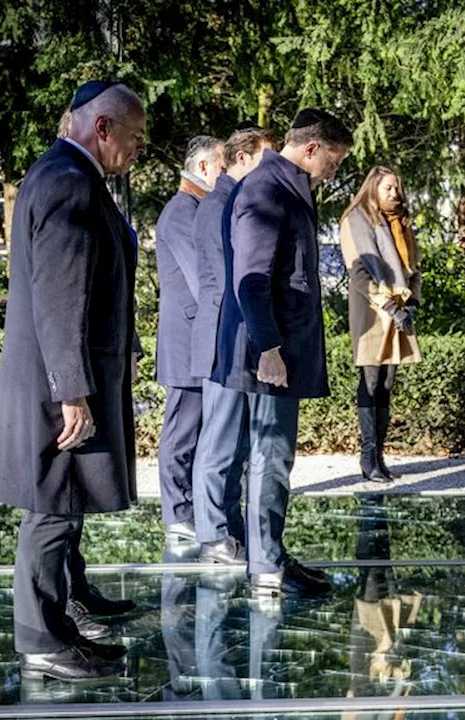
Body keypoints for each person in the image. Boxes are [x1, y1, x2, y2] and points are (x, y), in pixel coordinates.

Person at [0, 80, 146, 681]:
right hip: (62, 385)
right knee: (51, 511)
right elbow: (60, 297)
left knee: (63, 506)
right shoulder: (68, 181)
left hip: (66, 377)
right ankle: (41, 642)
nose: (137, 149)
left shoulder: (65, 175)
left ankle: (61, 620)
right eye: (133, 137)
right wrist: (71, 391)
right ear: (102, 128)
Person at [212, 108, 353, 596]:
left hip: (273, 349)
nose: (333, 173)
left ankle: (267, 553)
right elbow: (251, 280)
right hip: (265, 353)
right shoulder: (266, 188)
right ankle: (266, 566)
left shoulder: (284, 184)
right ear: (311, 149)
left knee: (272, 458)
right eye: (332, 163)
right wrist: (268, 348)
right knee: (270, 458)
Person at [191, 126, 279, 564]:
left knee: (237, 442)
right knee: (219, 440)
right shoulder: (219, 204)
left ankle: (228, 527)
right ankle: (211, 535)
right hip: (224, 336)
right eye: (267, 158)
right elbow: (226, 279)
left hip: (235, 334)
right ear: (242, 158)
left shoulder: (233, 200)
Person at [154, 135, 224, 542]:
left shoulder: (197, 210)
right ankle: (177, 514)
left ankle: (189, 508)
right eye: (220, 166)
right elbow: (204, 280)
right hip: (187, 339)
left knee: (196, 430)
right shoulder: (182, 212)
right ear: (201, 167)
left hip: (199, 336)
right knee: (182, 429)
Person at [339, 167, 422, 483]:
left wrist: (412, 302)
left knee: (387, 384)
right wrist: (389, 305)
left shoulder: (400, 223)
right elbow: (358, 272)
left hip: (399, 308)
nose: (395, 194)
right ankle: (367, 457)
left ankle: (379, 457)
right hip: (373, 309)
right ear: (373, 188)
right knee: (371, 382)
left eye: (397, 188)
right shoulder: (356, 219)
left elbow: (414, 267)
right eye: (389, 188)